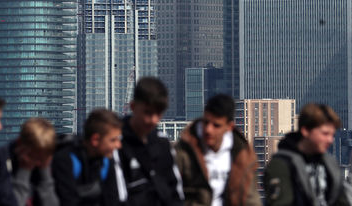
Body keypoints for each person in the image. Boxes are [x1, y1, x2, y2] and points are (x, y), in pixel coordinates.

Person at [175, 94, 260, 206]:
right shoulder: (183, 151)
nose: (208, 130)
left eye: (216, 125)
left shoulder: (242, 154)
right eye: (206, 122)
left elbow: (250, 198)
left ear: (229, 127)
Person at [264, 103, 349, 206]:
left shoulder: (330, 163)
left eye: (332, 135)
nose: (330, 140)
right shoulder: (281, 165)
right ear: (306, 131)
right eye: (325, 134)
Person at [119, 76, 184, 206]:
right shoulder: (116, 144)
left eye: (158, 114)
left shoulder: (163, 143)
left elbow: (175, 191)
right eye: (148, 113)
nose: (153, 120)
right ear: (133, 106)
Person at [52, 108, 127, 205]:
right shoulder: (65, 159)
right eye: (113, 140)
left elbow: (112, 200)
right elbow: (66, 201)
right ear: (95, 140)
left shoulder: (106, 161)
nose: (118, 145)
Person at [6, 117, 59, 206]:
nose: (38, 163)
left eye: (42, 159)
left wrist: (45, 171)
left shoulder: (47, 164)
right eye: (35, 157)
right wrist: (24, 169)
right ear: (20, 144)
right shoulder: (1, 162)